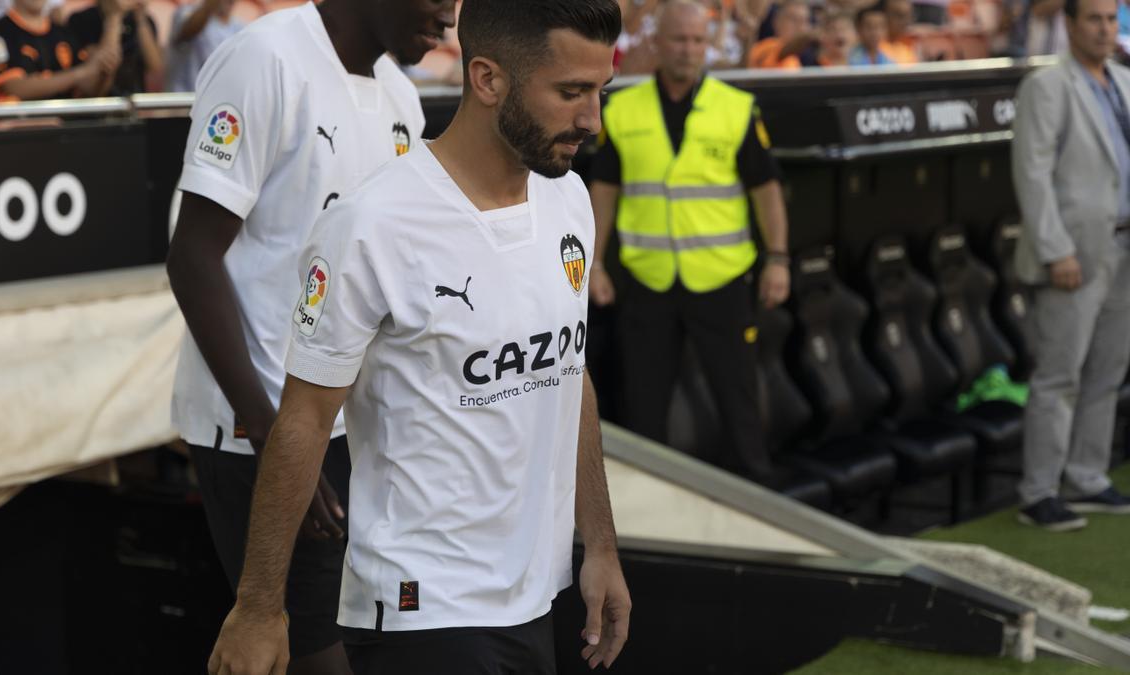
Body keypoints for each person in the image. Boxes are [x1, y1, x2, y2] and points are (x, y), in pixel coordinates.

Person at [206, 0, 632, 672]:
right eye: (571, 92)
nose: (592, 119)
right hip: (420, 610)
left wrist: (600, 544)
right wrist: (259, 605)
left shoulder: (569, 199)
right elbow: (305, 417)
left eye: (600, 92)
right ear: (488, 79)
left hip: (534, 599)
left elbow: (568, 373)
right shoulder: (374, 223)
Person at [165, 0, 456, 672]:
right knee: (307, 648)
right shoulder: (265, 59)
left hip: (348, 424)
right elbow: (193, 256)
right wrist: (273, 434)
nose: (448, 21)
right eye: (436, 0)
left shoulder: (403, 100)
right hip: (258, 424)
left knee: (354, 637)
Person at [590, 0, 790, 479]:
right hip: (646, 281)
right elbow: (603, 192)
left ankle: (756, 505)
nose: (688, 50)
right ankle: (647, 518)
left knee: (740, 404)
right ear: (658, 44)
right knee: (644, 410)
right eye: (679, 39)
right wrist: (594, 264)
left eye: (698, 41)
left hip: (722, 279)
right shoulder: (620, 110)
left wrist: (778, 259)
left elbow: (767, 191)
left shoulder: (737, 108)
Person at [1011, 0, 1130, 530]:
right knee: (1060, 374)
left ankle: (1086, 477)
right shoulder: (1048, 85)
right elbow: (1031, 173)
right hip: (1076, 251)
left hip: (1123, 246)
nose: (1106, 30)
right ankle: (1038, 491)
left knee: (1108, 369)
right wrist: (1055, 249)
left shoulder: (1123, 83)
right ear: (1070, 23)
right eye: (1094, 19)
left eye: (1112, 19)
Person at [0, 0, 119, 99]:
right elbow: (14, 88)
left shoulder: (63, 33)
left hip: (68, 129)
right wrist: (79, 74)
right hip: (20, 131)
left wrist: (104, 72)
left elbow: (89, 90)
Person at [68, 0, 163, 95]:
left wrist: (140, 18)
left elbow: (155, 67)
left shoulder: (143, 21)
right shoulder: (82, 19)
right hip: (101, 101)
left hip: (134, 99)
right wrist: (115, 16)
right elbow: (103, 65)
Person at [165, 0, 243, 93]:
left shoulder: (239, 27)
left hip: (217, 100)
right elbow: (186, 32)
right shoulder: (186, 12)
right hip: (184, 98)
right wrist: (209, 6)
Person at [748, 0, 815, 68]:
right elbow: (784, 51)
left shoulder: (812, 55)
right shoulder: (767, 47)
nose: (800, 26)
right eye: (793, 19)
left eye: (804, 21)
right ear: (777, 22)